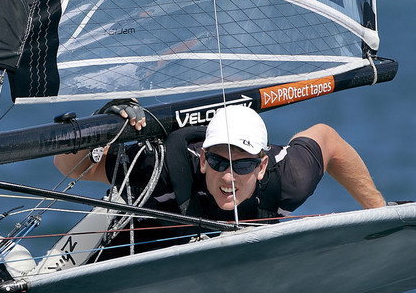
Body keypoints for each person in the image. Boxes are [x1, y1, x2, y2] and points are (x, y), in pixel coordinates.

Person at [51, 104, 384, 253]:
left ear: (262, 166)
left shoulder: (289, 179)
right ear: (203, 162)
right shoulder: (162, 169)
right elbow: (66, 164)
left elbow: (328, 138)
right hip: (130, 245)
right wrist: (101, 125)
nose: (228, 176)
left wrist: (378, 213)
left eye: (242, 166)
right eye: (217, 161)